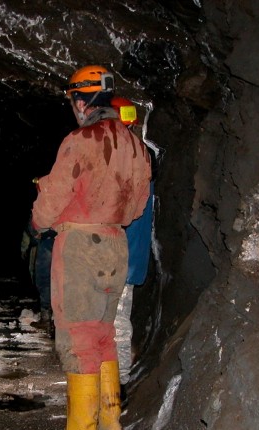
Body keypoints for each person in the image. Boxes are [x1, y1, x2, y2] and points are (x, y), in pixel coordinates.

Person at [30, 65, 151, 430]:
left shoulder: (78, 141)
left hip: (80, 245)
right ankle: (110, 419)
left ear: (80, 101)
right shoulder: (135, 145)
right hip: (117, 243)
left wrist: (38, 220)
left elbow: (51, 202)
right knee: (102, 333)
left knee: (78, 335)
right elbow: (137, 206)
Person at [110, 97, 158, 385]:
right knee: (114, 321)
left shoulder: (127, 159)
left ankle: (118, 384)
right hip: (126, 254)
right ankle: (114, 380)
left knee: (115, 323)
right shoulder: (140, 154)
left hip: (120, 256)